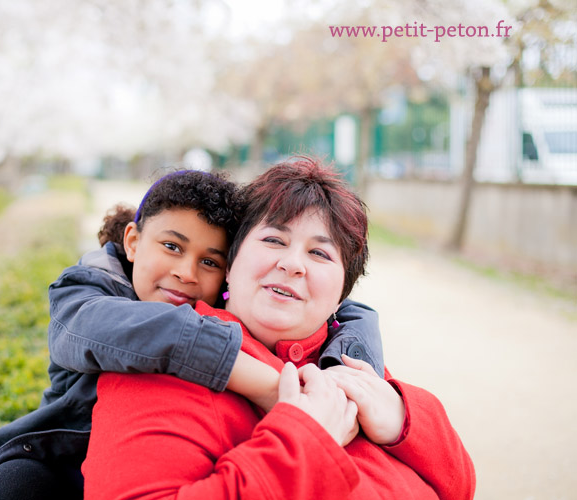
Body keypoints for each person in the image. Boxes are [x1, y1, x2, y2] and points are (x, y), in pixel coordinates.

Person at [0, 169, 384, 500]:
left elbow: (350, 310)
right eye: (171, 247)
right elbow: (128, 332)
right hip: (55, 465)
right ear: (133, 242)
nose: (185, 273)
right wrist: (263, 382)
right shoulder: (91, 291)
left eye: (210, 262)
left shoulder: (234, 310)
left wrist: (346, 375)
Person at [82, 156, 475, 499]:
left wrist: (402, 418)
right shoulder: (168, 357)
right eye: (273, 239)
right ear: (230, 264)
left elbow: (460, 486)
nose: (293, 264)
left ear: (342, 293)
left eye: (320, 253)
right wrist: (304, 442)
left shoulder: (349, 360)